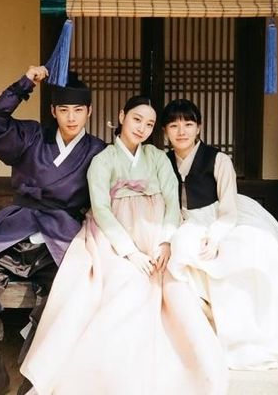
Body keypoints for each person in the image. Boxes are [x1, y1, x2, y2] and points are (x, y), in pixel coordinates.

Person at [20, 96, 228, 395]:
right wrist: (129, 251)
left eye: (149, 124)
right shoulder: (103, 160)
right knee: (125, 284)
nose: (142, 128)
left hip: (155, 233)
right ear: (122, 117)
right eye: (136, 119)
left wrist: (165, 241)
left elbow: (172, 201)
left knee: (173, 289)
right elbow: (101, 209)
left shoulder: (156, 157)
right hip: (113, 234)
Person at [0, 66, 106, 395]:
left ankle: (34, 371)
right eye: (64, 110)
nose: (71, 117)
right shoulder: (32, 137)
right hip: (17, 230)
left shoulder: (98, 151)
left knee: (69, 290)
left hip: (61, 237)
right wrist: (24, 84)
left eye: (78, 110)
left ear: (89, 112)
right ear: (53, 111)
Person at [162, 98, 278, 380]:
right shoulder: (163, 161)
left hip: (223, 216)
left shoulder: (218, 160)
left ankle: (247, 340)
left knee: (249, 249)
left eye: (188, 123)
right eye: (173, 125)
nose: (181, 131)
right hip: (185, 222)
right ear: (165, 131)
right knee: (183, 249)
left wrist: (215, 236)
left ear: (199, 127)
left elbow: (228, 208)